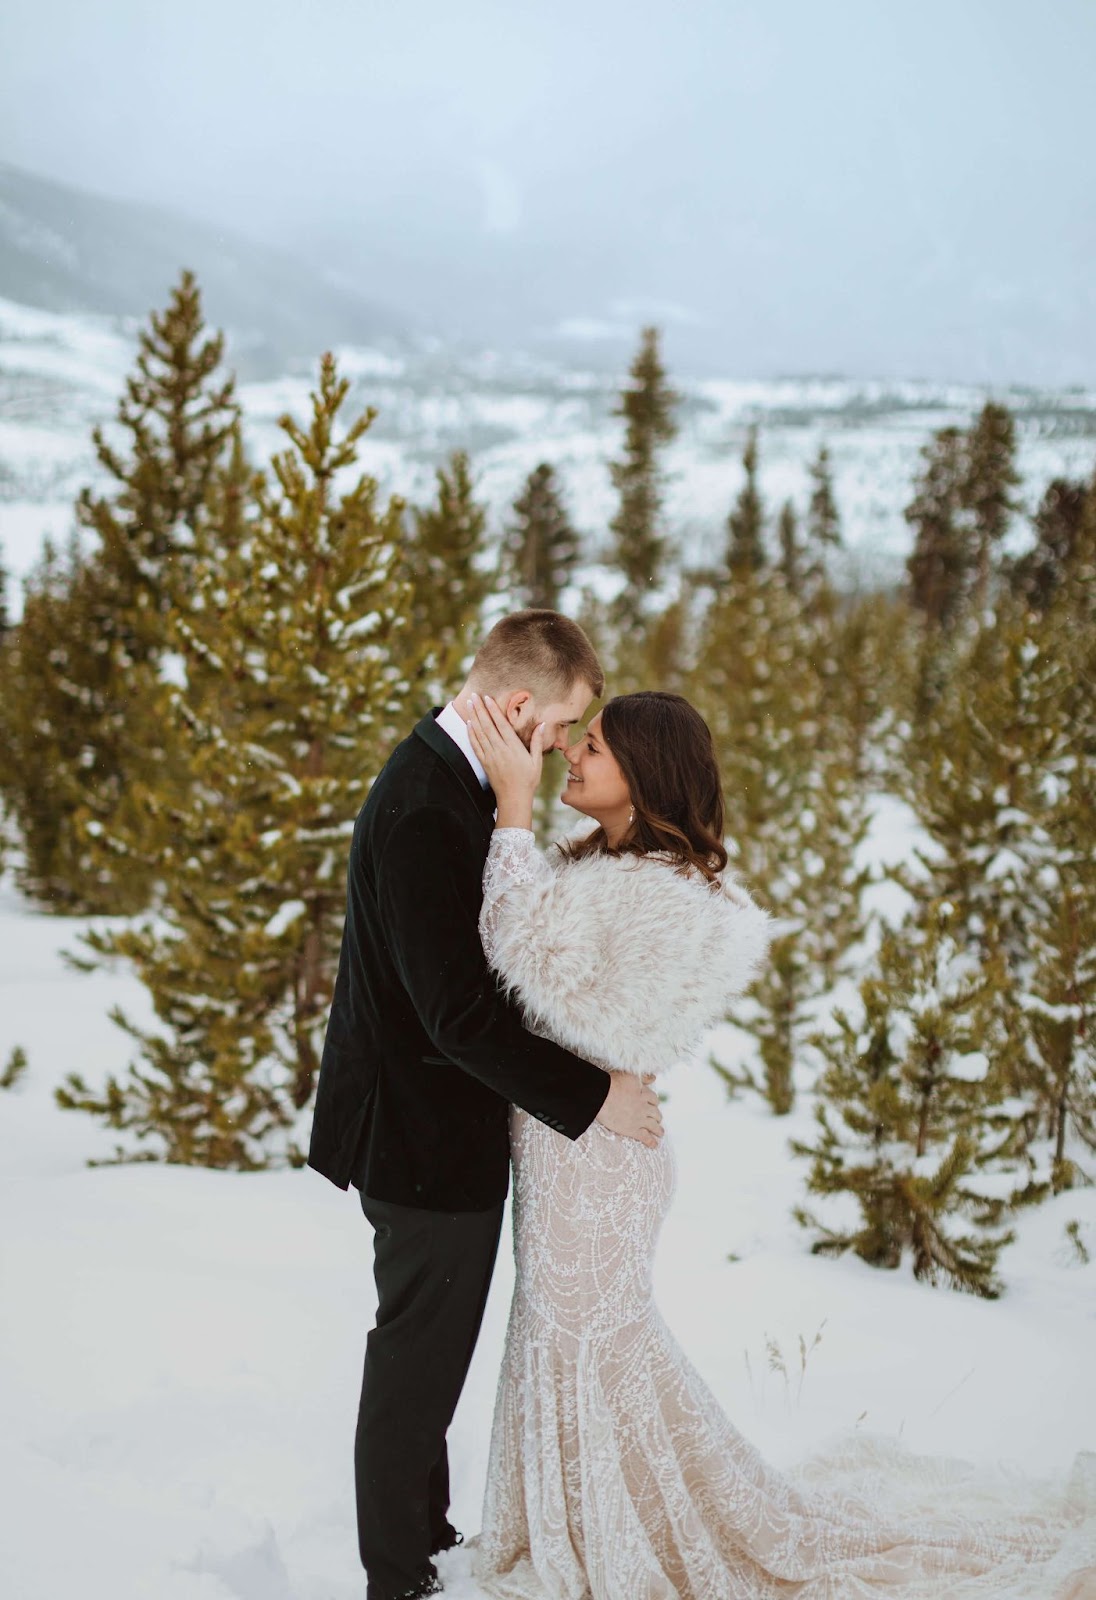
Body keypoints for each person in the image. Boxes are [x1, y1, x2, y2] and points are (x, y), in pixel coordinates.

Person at [465, 688, 1096, 1600]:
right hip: (571, 1149)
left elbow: (523, 954)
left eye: (592, 748)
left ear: (641, 779)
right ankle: (571, 1517)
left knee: (588, 1348)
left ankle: (615, 1535)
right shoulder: (603, 864)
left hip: (596, 1167)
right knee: (569, 1343)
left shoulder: (660, 893)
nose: (574, 757)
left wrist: (512, 812)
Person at [307, 611, 664, 1600]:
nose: (559, 747)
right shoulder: (428, 804)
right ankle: (397, 1577)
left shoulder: (453, 776)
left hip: (437, 1132)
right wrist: (593, 1097)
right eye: (560, 727)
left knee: (426, 1362)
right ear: (516, 707)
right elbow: (457, 1014)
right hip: (419, 1142)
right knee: (415, 1367)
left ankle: (424, 1543)